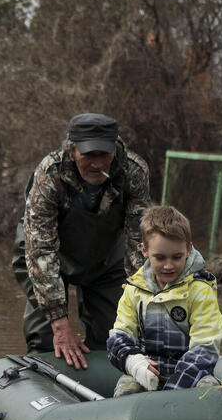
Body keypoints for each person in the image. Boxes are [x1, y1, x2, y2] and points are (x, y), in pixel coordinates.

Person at [12, 113, 150, 369]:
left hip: (105, 256)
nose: (97, 164)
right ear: (72, 150)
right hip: (44, 254)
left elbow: (138, 242)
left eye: (104, 155)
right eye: (89, 155)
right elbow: (40, 248)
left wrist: (141, 300)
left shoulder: (133, 170)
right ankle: (47, 389)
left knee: (116, 335)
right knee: (45, 337)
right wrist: (59, 322)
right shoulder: (49, 173)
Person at [106, 205, 222, 396]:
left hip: (192, 375)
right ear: (145, 251)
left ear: (188, 249)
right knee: (125, 390)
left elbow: (205, 347)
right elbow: (119, 335)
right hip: (146, 372)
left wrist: (173, 390)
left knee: (210, 392)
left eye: (177, 257)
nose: (168, 266)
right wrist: (134, 362)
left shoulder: (200, 290)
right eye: (160, 258)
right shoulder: (133, 290)